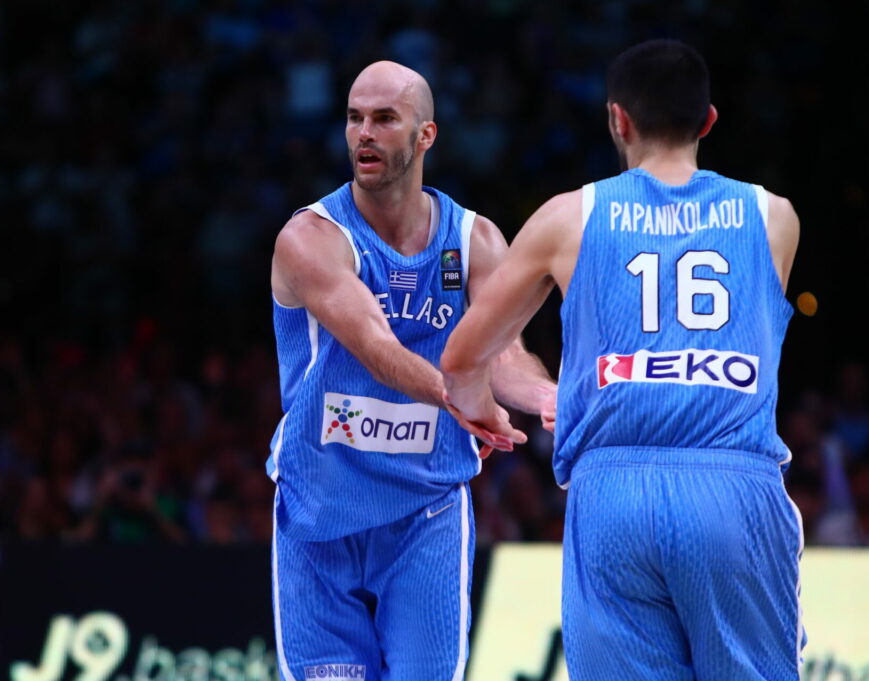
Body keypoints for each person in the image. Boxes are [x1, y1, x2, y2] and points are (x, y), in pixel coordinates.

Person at [441, 40, 804, 681]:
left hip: (613, 495)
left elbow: (464, 358)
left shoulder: (567, 218)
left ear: (617, 119)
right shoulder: (774, 216)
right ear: (708, 121)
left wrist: (481, 412)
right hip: (733, 488)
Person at [265, 61, 555, 680]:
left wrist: (546, 396)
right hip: (320, 511)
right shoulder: (311, 237)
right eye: (354, 118)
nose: (364, 133)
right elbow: (375, 345)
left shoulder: (474, 240)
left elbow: (504, 353)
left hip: (426, 513)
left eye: (384, 118)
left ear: (426, 135)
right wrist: (461, 398)